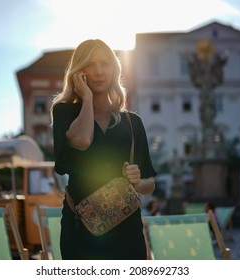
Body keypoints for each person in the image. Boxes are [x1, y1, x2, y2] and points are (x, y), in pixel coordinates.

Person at [50, 39, 156, 260]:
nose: (98, 71)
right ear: (79, 71)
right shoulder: (64, 113)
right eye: (90, 64)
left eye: (105, 64)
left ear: (114, 69)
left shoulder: (132, 122)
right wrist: (87, 98)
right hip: (80, 229)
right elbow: (83, 140)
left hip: (126, 228)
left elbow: (149, 184)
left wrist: (137, 181)